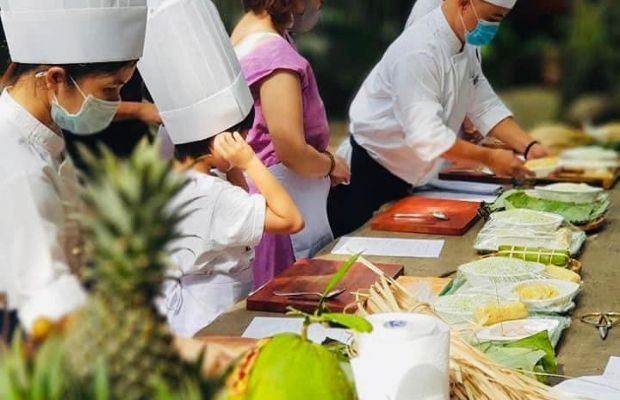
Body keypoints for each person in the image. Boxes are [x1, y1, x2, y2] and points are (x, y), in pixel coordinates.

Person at [139, 0, 304, 336]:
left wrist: (232, 170)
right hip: (212, 314)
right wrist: (250, 161)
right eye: (242, 136)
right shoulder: (213, 196)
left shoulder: (170, 181)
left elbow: (238, 206)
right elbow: (291, 219)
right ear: (223, 139)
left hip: (180, 310)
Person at [328, 0, 550, 238]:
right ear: (464, 4)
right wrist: (491, 157)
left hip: (412, 178)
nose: (494, 27)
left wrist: (528, 146)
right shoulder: (418, 51)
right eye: (493, 18)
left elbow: (483, 102)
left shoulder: (465, 41)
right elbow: (428, 137)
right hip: (367, 177)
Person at [0, 0, 148, 334]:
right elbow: (51, 305)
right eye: (111, 89)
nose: (115, 102)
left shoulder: (44, 136)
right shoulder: (18, 164)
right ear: (55, 78)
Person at [231, 0, 351, 288]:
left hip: (275, 200)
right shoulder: (274, 56)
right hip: (283, 210)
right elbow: (291, 151)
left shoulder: (247, 31)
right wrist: (332, 165)